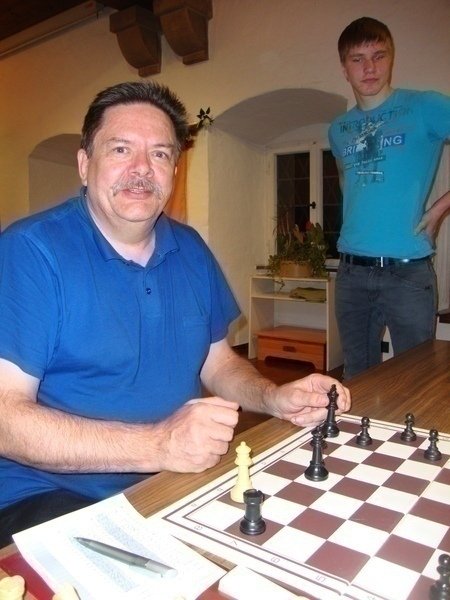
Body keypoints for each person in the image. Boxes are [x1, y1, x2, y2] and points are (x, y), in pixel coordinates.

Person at [0, 81, 351, 547]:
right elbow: (6, 419)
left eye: (160, 154)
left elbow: (217, 363)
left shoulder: (190, 248)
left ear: (174, 171)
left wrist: (273, 397)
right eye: (121, 149)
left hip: (171, 479)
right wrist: (158, 444)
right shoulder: (29, 251)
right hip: (50, 493)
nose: (142, 169)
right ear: (85, 164)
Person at [328, 17, 450, 379]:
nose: (369, 68)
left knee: (415, 380)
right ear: (345, 68)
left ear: (391, 58)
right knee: (357, 377)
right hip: (351, 272)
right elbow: (346, 180)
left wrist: (441, 208)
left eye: (378, 56)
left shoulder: (424, 106)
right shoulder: (338, 129)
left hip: (407, 272)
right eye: (358, 59)